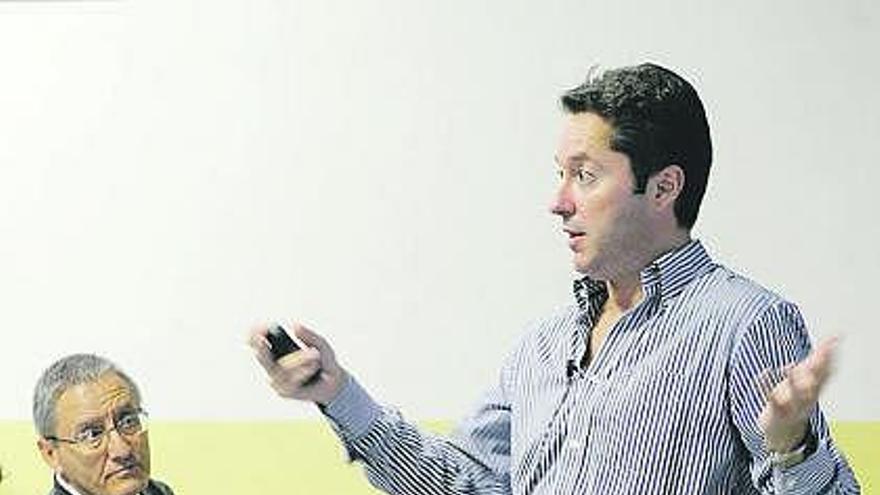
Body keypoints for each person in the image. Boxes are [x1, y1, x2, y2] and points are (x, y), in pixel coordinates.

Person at [248, 63, 860, 493]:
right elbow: (463, 484)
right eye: (559, 174)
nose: (559, 201)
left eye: (585, 175)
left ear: (664, 187)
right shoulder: (542, 347)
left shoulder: (745, 323)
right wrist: (336, 393)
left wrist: (791, 445)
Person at [33, 354, 174, 495]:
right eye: (92, 434)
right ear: (51, 454)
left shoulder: (157, 491)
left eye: (128, 422)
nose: (123, 450)